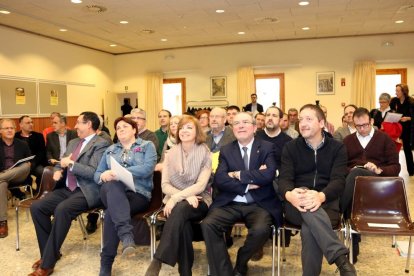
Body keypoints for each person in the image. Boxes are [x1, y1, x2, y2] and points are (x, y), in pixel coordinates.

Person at [29, 112, 110, 276]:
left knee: (62, 209)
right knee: (37, 207)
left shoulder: (101, 144)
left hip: (87, 190)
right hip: (66, 188)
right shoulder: (73, 142)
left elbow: (93, 172)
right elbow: (62, 161)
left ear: (89, 125)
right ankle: (50, 254)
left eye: (79, 123)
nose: (75, 126)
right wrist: (58, 170)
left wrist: (71, 164)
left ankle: (47, 264)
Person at [278, 104, 356, 276]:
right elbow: (284, 179)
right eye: (300, 120)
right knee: (306, 199)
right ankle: (341, 259)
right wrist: (290, 195)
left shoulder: (337, 148)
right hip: (296, 205)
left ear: (322, 123)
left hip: (327, 203)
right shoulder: (291, 147)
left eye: (308, 119)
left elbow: (338, 181)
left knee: (310, 229)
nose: (302, 123)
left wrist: (321, 196)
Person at [201, 112, 282, 276]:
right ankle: (224, 272)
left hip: (259, 203)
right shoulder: (226, 150)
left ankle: (241, 260)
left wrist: (238, 174)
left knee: (260, 230)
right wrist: (248, 184)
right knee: (208, 224)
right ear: (232, 128)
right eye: (237, 123)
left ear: (254, 127)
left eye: (245, 122)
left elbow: (269, 174)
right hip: (230, 202)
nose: (241, 126)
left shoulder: (266, 147)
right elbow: (220, 179)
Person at [145, 115, 212, 276]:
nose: (184, 130)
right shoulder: (170, 153)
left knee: (180, 210)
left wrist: (177, 197)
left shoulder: (205, 152)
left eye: (189, 127)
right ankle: (185, 272)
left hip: (199, 200)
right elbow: (165, 185)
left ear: (197, 131)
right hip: (180, 202)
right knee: (184, 227)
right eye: (182, 127)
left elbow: (201, 185)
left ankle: (157, 260)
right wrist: (183, 197)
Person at [96, 116, 157, 276]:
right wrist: (104, 176)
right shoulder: (110, 150)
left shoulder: (146, 146)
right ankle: (126, 235)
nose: (121, 129)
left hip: (138, 194)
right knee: (112, 184)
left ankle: (105, 265)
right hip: (109, 191)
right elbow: (97, 174)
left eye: (125, 126)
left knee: (111, 213)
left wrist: (119, 173)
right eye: (118, 128)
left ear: (134, 130)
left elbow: (147, 169)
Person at [341, 107, 400, 263]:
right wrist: (350, 169)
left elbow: (396, 167)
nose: (362, 129)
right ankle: (352, 248)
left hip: (377, 184)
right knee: (354, 180)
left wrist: (379, 169)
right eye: (358, 126)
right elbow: (340, 167)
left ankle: (337, 211)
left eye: (365, 125)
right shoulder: (347, 141)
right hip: (355, 186)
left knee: (354, 178)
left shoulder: (385, 139)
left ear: (372, 122)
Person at [0, 119, 31, 238]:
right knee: (1, 184)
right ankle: (2, 221)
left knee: (25, 166)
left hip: (18, 175)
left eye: (12, 128)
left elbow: (29, 162)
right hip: (3, 177)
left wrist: (26, 165)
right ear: (1, 131)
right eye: (6, 128)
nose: (9, 130)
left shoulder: (22, 143)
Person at [15, 115, 47, 194]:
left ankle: (40, 191)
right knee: (19, 173)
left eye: (32, 122)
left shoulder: (38, 136)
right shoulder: (15, 137)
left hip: (36, 162)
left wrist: (33, 163)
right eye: (28, 123)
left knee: (41, 171)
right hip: (21, 164)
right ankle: (20, 193)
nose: (31, 124)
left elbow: (41, 152)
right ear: (21, 125)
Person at [390, 83, 414, 175]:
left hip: (409, 129)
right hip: (397, 128)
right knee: (394, 149)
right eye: (396, 90)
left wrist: (408, 118)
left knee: (407, 150)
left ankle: (411, 171)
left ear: (403, 91)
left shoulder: (411, 102)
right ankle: (394, 170)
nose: (396, 92)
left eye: (398, 91)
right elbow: (391, 111)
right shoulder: (394, 101)